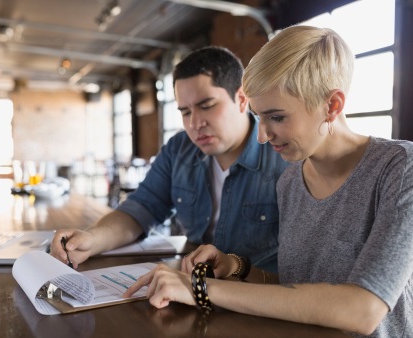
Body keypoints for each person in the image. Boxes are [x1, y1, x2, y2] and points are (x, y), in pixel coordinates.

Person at [124, 26, 413, 337]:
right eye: (260, 118)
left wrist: (201, 289)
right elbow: (298, 294)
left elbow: (362, 310)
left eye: (277, 117)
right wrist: (237, 268)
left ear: (332, 106)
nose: (262, 135)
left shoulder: (399, 167)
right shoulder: (290, 180)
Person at [50, 46, 288, 272]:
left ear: (242, 99)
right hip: (195, 289)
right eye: (185, 112)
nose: (195, 124)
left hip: (260, 300)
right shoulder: (179, 150)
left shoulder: (284, 155)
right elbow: (140, 209)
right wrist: (92, 239)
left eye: (206, 106)